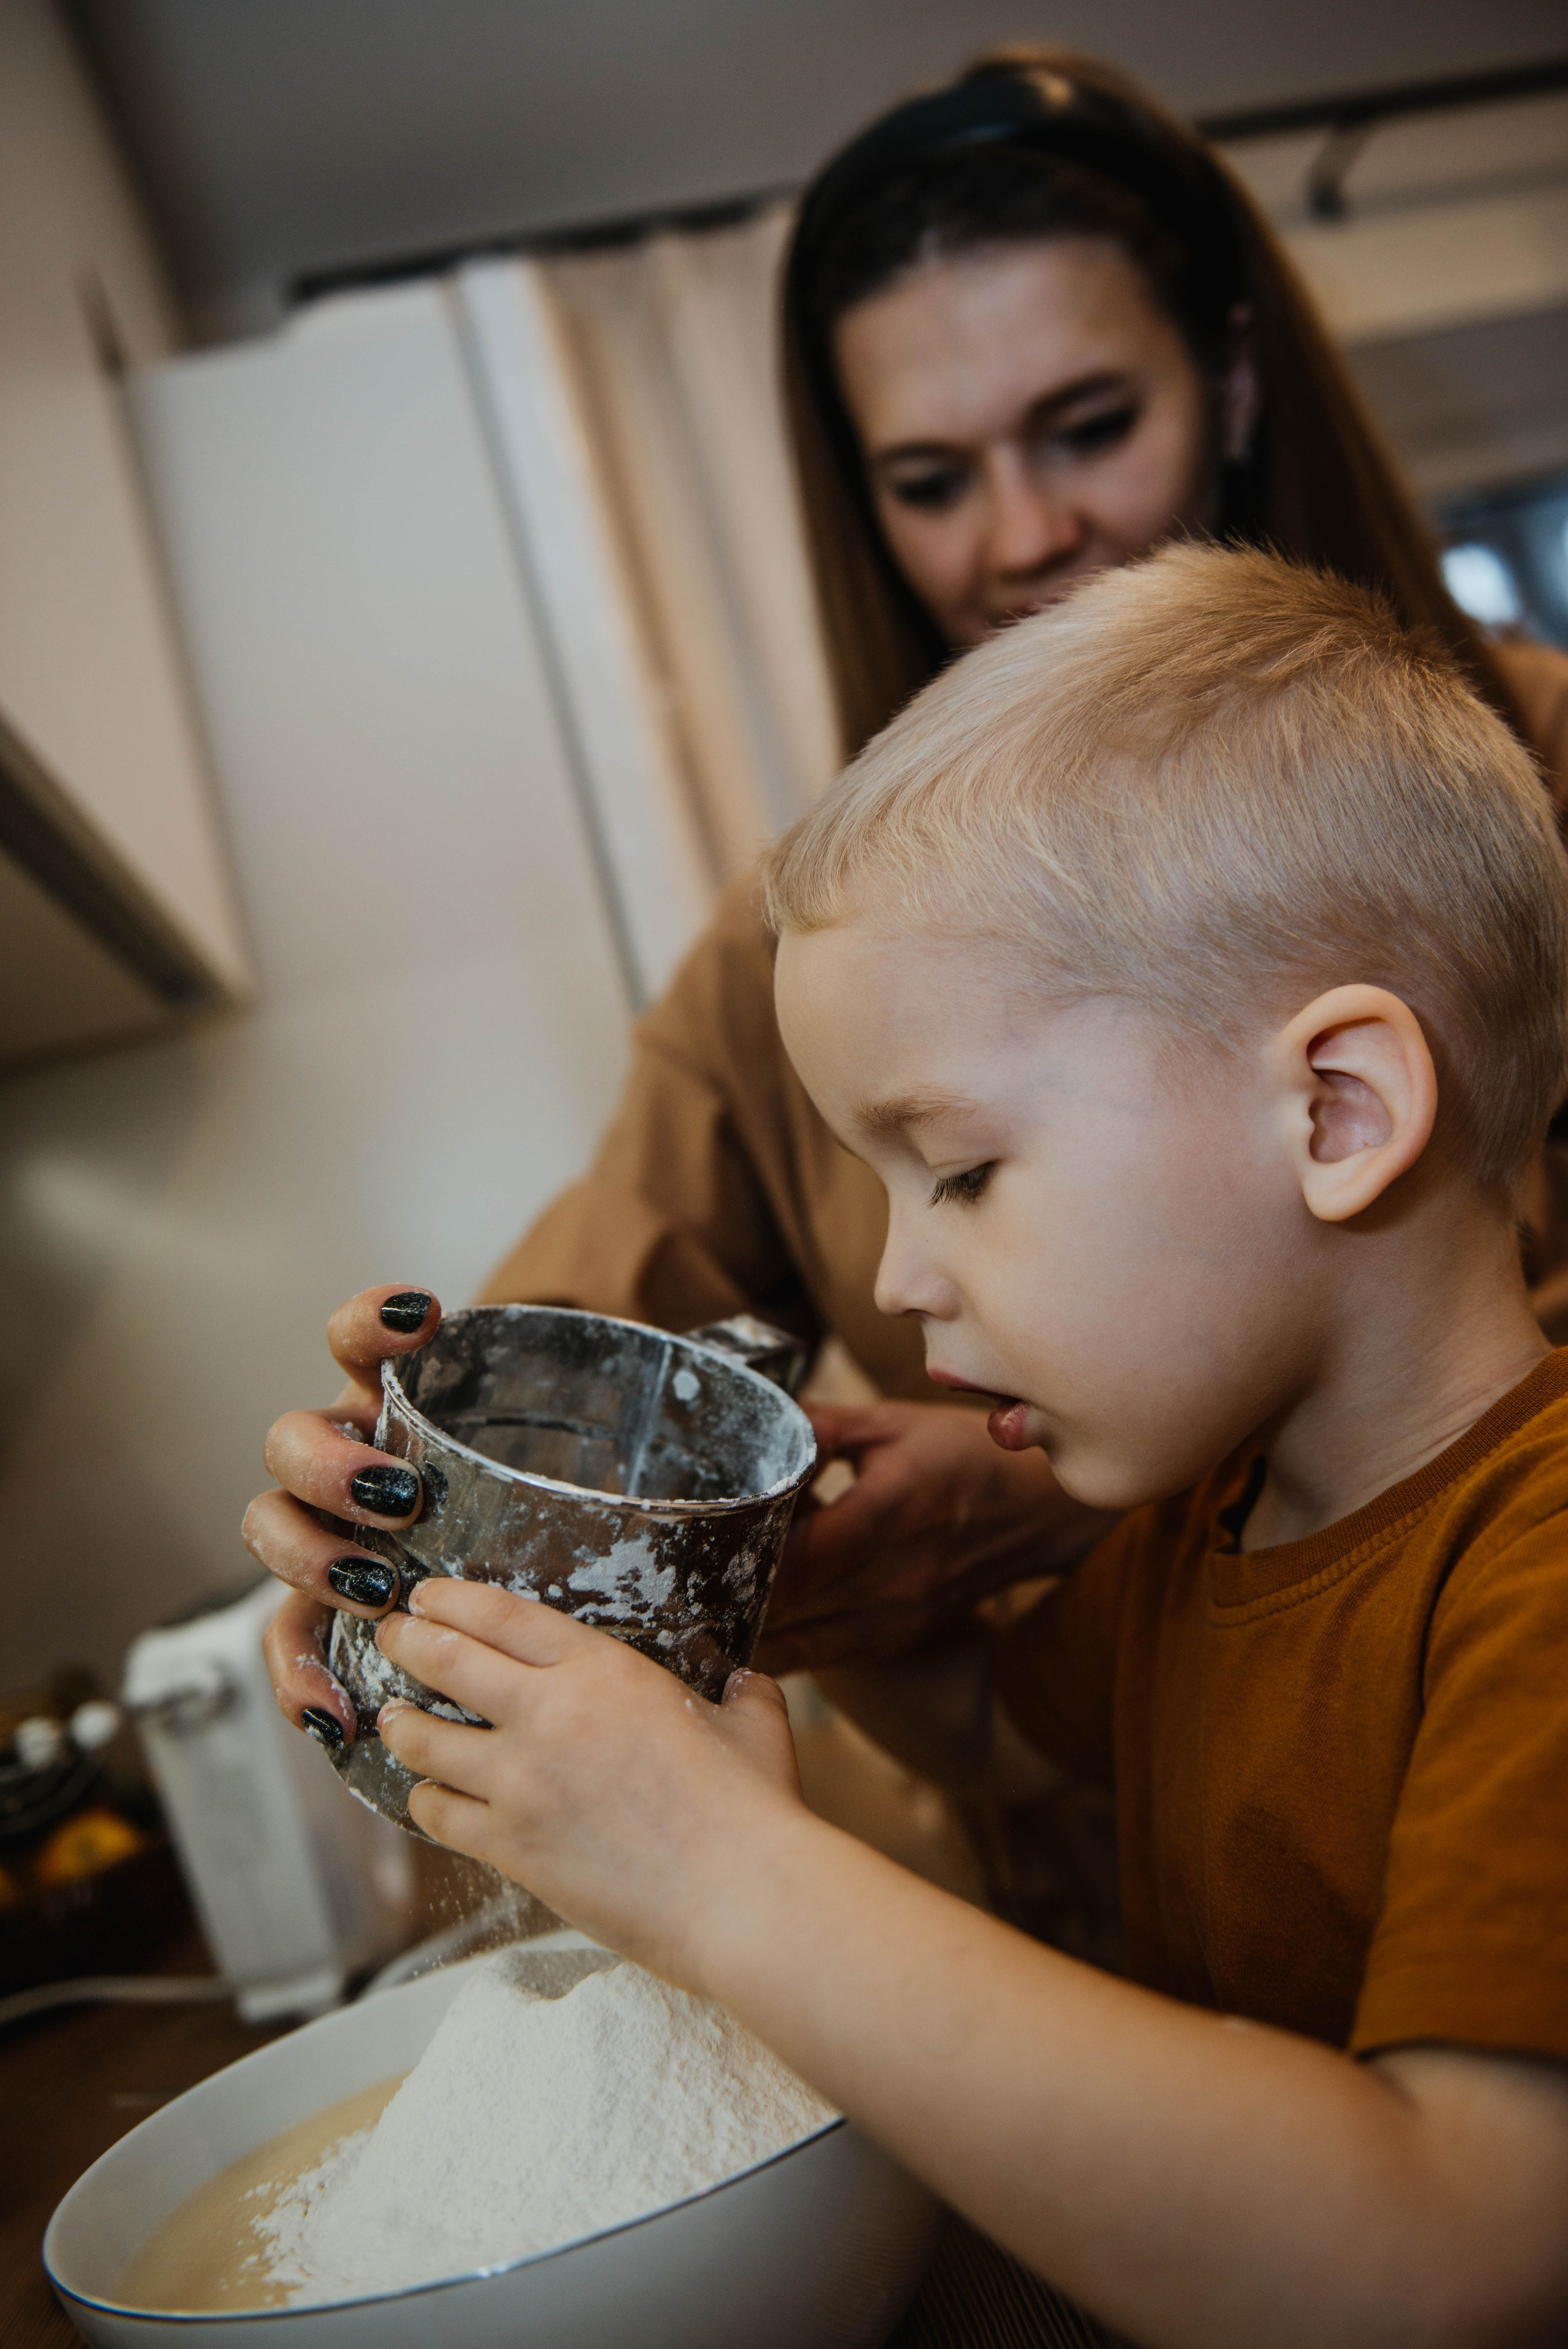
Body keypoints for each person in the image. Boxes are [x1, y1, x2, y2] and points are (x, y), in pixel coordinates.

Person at [252, 48, 1568, 1760]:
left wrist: (1092, 1488)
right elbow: (614, 1317)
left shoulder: (1541, 779)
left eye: (1091, 428)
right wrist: (422, 1478)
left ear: (1237, 383)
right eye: (930, 479)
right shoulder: (788, 954)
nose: (1025, 533)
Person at [359, 548, 1568, 2348]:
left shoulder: (1538, 1563)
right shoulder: (1221, 1510)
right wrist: (747, 1572)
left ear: (1337, 1109)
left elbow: (1448, 2252)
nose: (897, 1275)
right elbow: (1007, 1731)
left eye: (966, 1171)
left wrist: (718, 1869)